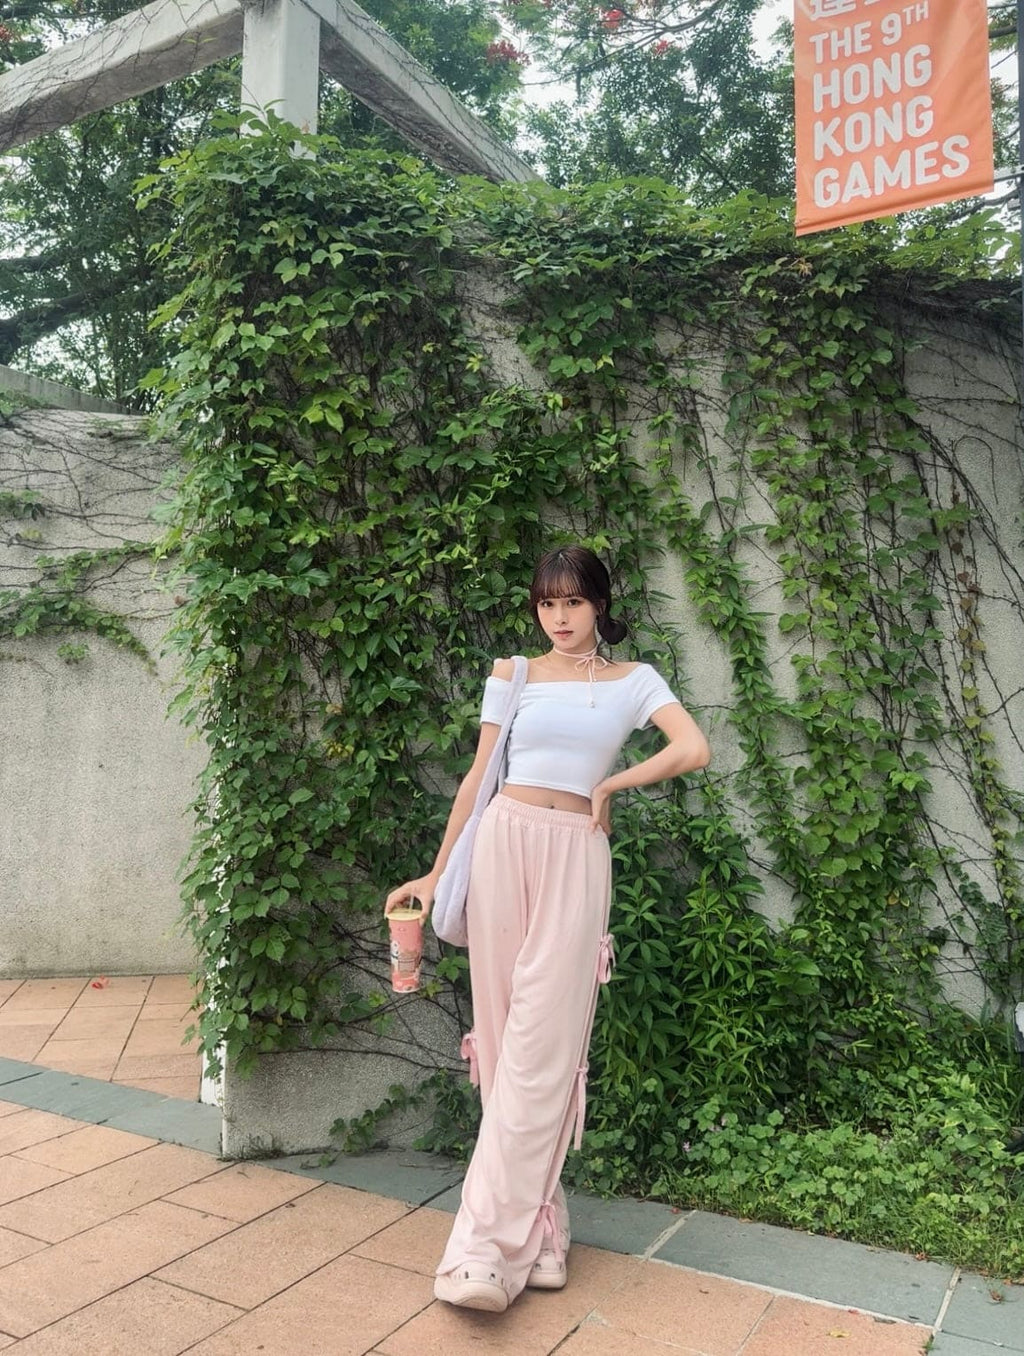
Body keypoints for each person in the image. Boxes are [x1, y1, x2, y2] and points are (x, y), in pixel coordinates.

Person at [384, 545, 711, 1313]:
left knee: (544, 1051)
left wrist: (612, 783)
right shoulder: (514, 674)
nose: (559, 618)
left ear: (600, 604)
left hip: (576, 855)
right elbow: (477, 777)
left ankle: (481, 1254)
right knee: (505, 1049)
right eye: (547, 603)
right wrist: (434, 874)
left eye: (573, 602)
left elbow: (693, 747)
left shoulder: (635, 681)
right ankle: (544, 1231)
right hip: (504, 844)